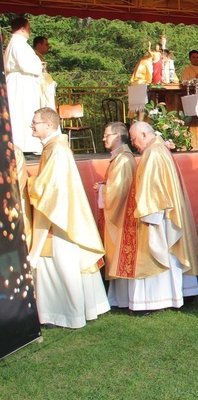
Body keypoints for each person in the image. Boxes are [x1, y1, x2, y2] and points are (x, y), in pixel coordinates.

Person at [27, 107, 110, 328]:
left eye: (35, 123)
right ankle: (76, 310)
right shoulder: (55, 147)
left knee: (63, 266)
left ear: (48, 125)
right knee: (65, 266)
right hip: (62, 213)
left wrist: (27, 183)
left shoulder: (57, 150)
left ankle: (67, 314)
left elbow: (48, 189)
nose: (32, 126)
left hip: (59, 217)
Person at [111, 121, 198, 312]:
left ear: (144, 134)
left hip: (157, 216)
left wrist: (148, 216)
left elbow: (152, 190)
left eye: (135, 139)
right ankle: (176, 293)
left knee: (157, 253)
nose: (134, 143)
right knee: (170, 256)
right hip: (165, 214)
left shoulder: (153, 153)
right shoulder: (159, 149)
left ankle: (157, 299)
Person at [96, 122, 137, 308]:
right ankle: (117, 297)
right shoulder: (118, 158)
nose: (104, 138)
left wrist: (103, 189)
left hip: (121, 218)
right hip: (117, 216)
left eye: (107, 135)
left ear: (118, 136)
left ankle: (122, 298)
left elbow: (119, 192)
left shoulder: (124, 159)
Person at [3, 16, 45, 154]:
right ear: (22, 28)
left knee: (20, 112)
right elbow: (27, 65)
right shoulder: (19, 44)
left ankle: (22, 144)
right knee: (23, 112)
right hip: (21, 84)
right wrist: (39, 66)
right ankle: (24, 145)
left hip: (20, 82)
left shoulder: (15, 43)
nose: (29, 31)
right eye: (28, 28)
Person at [32, 36, 58, 115]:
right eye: (46, 45)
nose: (48, 47)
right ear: (39, 45)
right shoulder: (34, 56)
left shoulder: (39, 56)